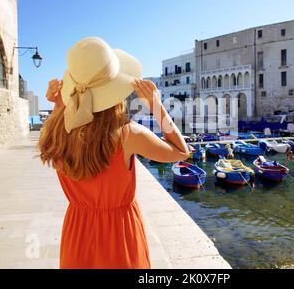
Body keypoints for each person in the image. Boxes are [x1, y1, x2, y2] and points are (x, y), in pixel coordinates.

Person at [39, 37, 190, 269]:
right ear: (115, 91)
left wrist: (59, 104)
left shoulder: (57, 131)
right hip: (121, 236)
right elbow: (181, 151)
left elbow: (70, 120)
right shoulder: (129, 135)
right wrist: (156, 106)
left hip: (77, 235)